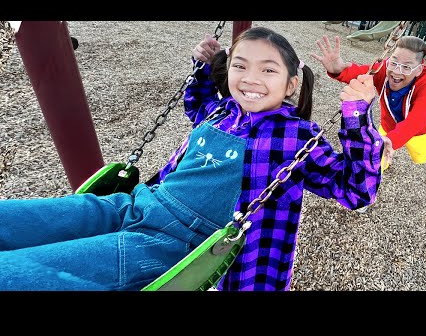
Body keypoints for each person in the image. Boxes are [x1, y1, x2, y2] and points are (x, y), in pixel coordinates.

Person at [0, 26, 383, 291]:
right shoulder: (223, 111)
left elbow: (356, 190)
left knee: (19, 273)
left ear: (291, 84)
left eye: (268, 70)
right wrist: (204, 64)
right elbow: (196, 103)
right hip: (136, 204)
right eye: (239, 65)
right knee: (19, 220)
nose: (250, 78)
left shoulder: (295, 136)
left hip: (175, 243)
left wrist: (356, 117)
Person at [312, 34, 426, 172]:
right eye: (394, 62)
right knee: (376, 164)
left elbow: (418, 118)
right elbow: (362, 73)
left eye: (406, 67)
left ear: (419, 70)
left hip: (418, 132)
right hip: (388, 126)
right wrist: (339, 70)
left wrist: (392, 140)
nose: (396, 71)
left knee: (420, 158)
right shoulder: (384, 70)